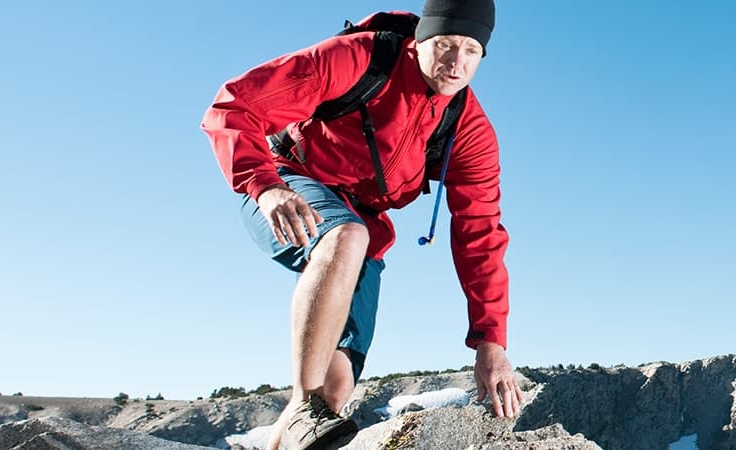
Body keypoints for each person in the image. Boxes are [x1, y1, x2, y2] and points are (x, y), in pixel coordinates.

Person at [200, 1, 522, 448]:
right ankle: (302, 406)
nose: (456, 63)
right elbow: (234, 105)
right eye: (446, 45)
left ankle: (300, 417)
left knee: (335, 386)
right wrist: (265, 185)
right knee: (346, 237)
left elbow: (481, 236)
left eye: (471, 51)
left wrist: (491, 343)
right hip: (288, 182)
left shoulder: (468, 130)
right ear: (420, 40)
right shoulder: (358, 60)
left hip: (363, 224)